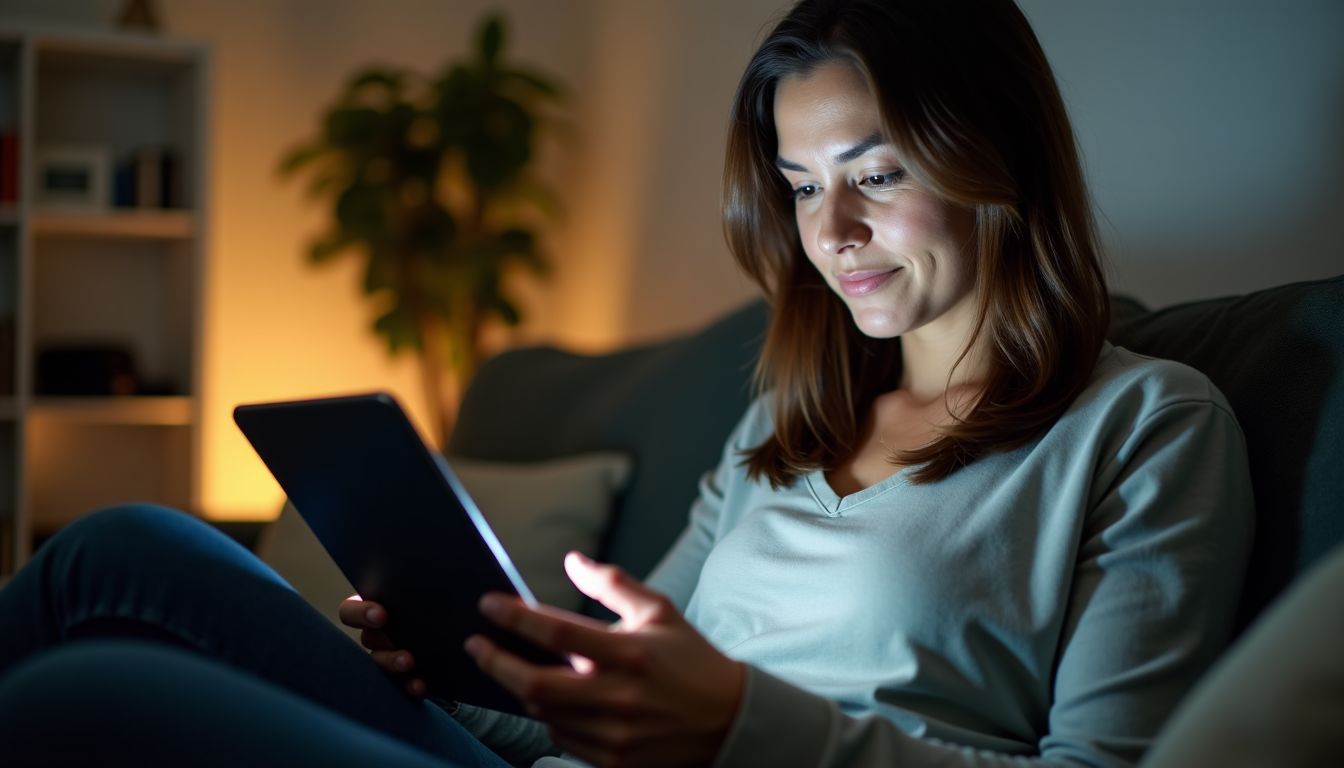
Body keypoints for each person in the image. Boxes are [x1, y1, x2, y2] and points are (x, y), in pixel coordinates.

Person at [0, 0, 1253, 765]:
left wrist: (738, 731)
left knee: (85, 699)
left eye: (875, 173)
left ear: (1001, 160)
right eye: (804, 186)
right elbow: (597, 721)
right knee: (127, 549)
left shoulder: (1143, 428)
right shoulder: (783, 421)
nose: (834, 234)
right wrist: (451, 675)